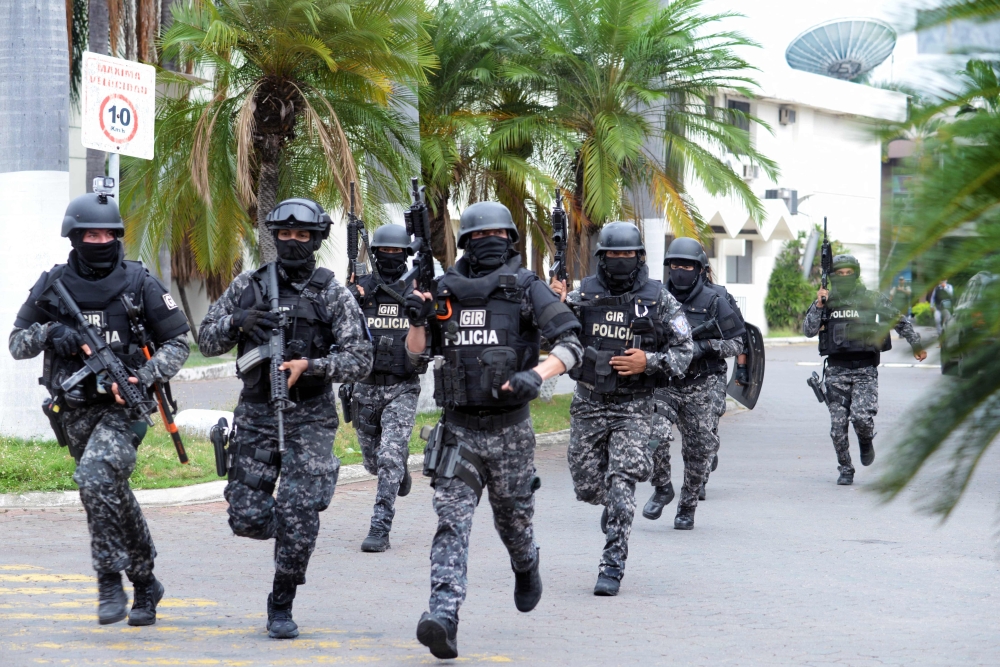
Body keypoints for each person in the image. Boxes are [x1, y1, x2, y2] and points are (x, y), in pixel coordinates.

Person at [406, 201, 581, 660]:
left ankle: (526, 565)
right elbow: (414, 355)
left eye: (497, 238)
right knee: (451, 524)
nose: (489, 244)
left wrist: (538, 375)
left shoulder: (525, 288)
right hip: (458, 430)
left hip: (510, 433)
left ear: (510, 242)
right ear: (465, 243)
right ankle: (443, 617)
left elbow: (571, 343)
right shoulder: (441, 288)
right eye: (480, 238)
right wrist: (417, 320)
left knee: (514, 522)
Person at [9, 192, 190, 626]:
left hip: (123, 408)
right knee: (108, 491)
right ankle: (146, 581)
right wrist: (51, 333)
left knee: (93, 477)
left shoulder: (139, 282)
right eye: (91, 233)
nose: (100, 240)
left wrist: (143, 376)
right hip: (73, 411)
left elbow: (178, 343)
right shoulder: (54, 283)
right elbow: (17, 343)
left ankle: (110, 577)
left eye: (108, 233)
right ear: (74, 237)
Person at [197, 198, 372, 639]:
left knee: (297, 510)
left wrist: (310, 367)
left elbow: (360, 358)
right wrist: (239, 321)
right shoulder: (247, 285)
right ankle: (301, 521)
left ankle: (282, 599)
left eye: (303, 235)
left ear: (316, 239)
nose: (293, 242)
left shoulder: (332, 292)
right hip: (256, 413)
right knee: (247, 517)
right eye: (285, 235)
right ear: (274, 237)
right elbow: (206, 337)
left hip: (310, 415)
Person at [551, 222, 693, 596]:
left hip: (634, 407)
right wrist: (555, 304)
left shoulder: (659, 298)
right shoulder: (583, 294)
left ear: (639, 257)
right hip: (589, 403)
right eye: (612, 255)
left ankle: (612, 564)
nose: (619, 261)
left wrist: (650, 362)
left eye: (627, 255)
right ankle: (615, 503)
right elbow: (553, 336)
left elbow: (684, 351)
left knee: (622, 485)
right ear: (602, 258)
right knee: (585, 486)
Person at [641, 238, 746, 530]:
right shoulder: (657, 298)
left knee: (699, 452)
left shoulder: (716, 300)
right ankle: (662, 486)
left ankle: (687, 506)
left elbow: (738, 341)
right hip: (665, 382)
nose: (680, 271)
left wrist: (705, 347)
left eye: (687, 265)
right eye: (675, 265)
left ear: (700, 269)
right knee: (655, 436)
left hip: (703, 383)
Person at [803, 255, 926, 485]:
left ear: (856, 274)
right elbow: (808, 330)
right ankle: (846, 469)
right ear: (833, 276)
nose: (845, 277)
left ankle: (866, 439)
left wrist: (915, 343)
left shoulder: (870, 298)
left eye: (849, 273)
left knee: (861, 418)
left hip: (865, 371)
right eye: (840, 273)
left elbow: (898, 320)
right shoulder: (826, 299)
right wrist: (819, 304)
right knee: (837, 428)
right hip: (836, 372)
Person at [346, 224, 426, 552]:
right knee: (374, 462)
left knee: (390, 454)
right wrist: (348, 299)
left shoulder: (415, 291)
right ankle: (397, 472)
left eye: (397, 252)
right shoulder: (360, 288)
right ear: (374, 253)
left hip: (401, 387)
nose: (391, 257)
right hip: (364, 387)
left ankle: (380, 526)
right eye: (384, 251)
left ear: (406, 255)